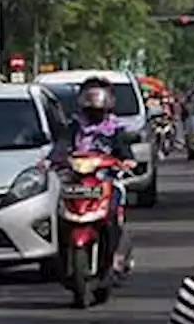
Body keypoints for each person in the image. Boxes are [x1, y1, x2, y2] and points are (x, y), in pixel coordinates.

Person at [50, 78, 136, 278]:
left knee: (113, 210)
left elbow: (124, 150)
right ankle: (61, 260)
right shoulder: (74, 125)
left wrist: (126, 161)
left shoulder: (114, 128)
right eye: (89, 98)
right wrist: (51, 160)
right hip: (77, 182)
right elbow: (61, 146)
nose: (94, 104)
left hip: (106, 180)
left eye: (98, 98)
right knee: (60, 213)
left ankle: (114, 255)